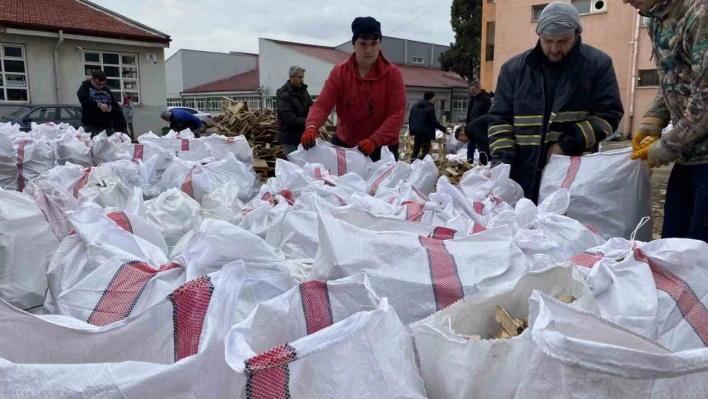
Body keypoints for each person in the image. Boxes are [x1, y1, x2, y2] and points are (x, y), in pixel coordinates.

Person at [487, 1, 623, 202]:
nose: (554, 48)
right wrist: (502, 162)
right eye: (548, 40)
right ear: (538, 35)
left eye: (563, 41)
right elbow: (500, 119)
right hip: (520, 174)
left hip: (571, 174)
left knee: (562, 228)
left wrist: (566, 144)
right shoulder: (514, 70)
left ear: (577, 34)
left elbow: (608, 115)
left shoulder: (597, 65)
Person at [626, 0, 708, 241]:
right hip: (688, 156)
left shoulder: (699, 13)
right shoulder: (655, 18)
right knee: (674, 245)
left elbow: (705, 98)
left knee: (698, 253)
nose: (624, 0)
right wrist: (654, 117)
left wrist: (665, 147)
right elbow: (670, 76)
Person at [301, 16, 406, 162]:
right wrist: (311, 126)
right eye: (363, 44)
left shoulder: (393, 75)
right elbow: (323, 104)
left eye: (374, 43)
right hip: (346, 145)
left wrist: (374, 140)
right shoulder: (339, 72)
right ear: (354, 44)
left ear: (380, 44)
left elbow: (396, 115)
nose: (369, 50)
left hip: (382, 149)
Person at [277, 65, 314, 155]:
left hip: (304, 136)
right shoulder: (284, 95)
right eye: (299, 77)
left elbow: (311, 107)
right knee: (294, 166)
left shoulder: (303, 91)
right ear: (291, 77)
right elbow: (290, 119)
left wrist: (314, 119)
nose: (302, 80)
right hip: (290, 139)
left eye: (303, 77)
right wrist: (308, 122)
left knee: (306, 165)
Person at [77, 70, 119, 137]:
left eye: (103, 84)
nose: (101, 86)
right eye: (98, 84)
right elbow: (84, 101)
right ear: (92, 79)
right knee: (93, 146)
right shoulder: (85, 88)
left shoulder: (107, 90)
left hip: (107, 125)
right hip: (91, 125)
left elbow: (114, 104)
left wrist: (110, 108)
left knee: (111, 146)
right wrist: (98, 105)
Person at [408, 91, 447, 161]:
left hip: (416, 132)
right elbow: (434, 122)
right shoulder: (430, 108)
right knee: (425, 152)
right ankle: (421, 166)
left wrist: (411, 130)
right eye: (434, 97)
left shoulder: (415, 106)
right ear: (431, 98)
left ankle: (412, 165)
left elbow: (410, 118)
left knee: (415, 150)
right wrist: (444, 130)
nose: (435, 99)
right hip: (426, 133)